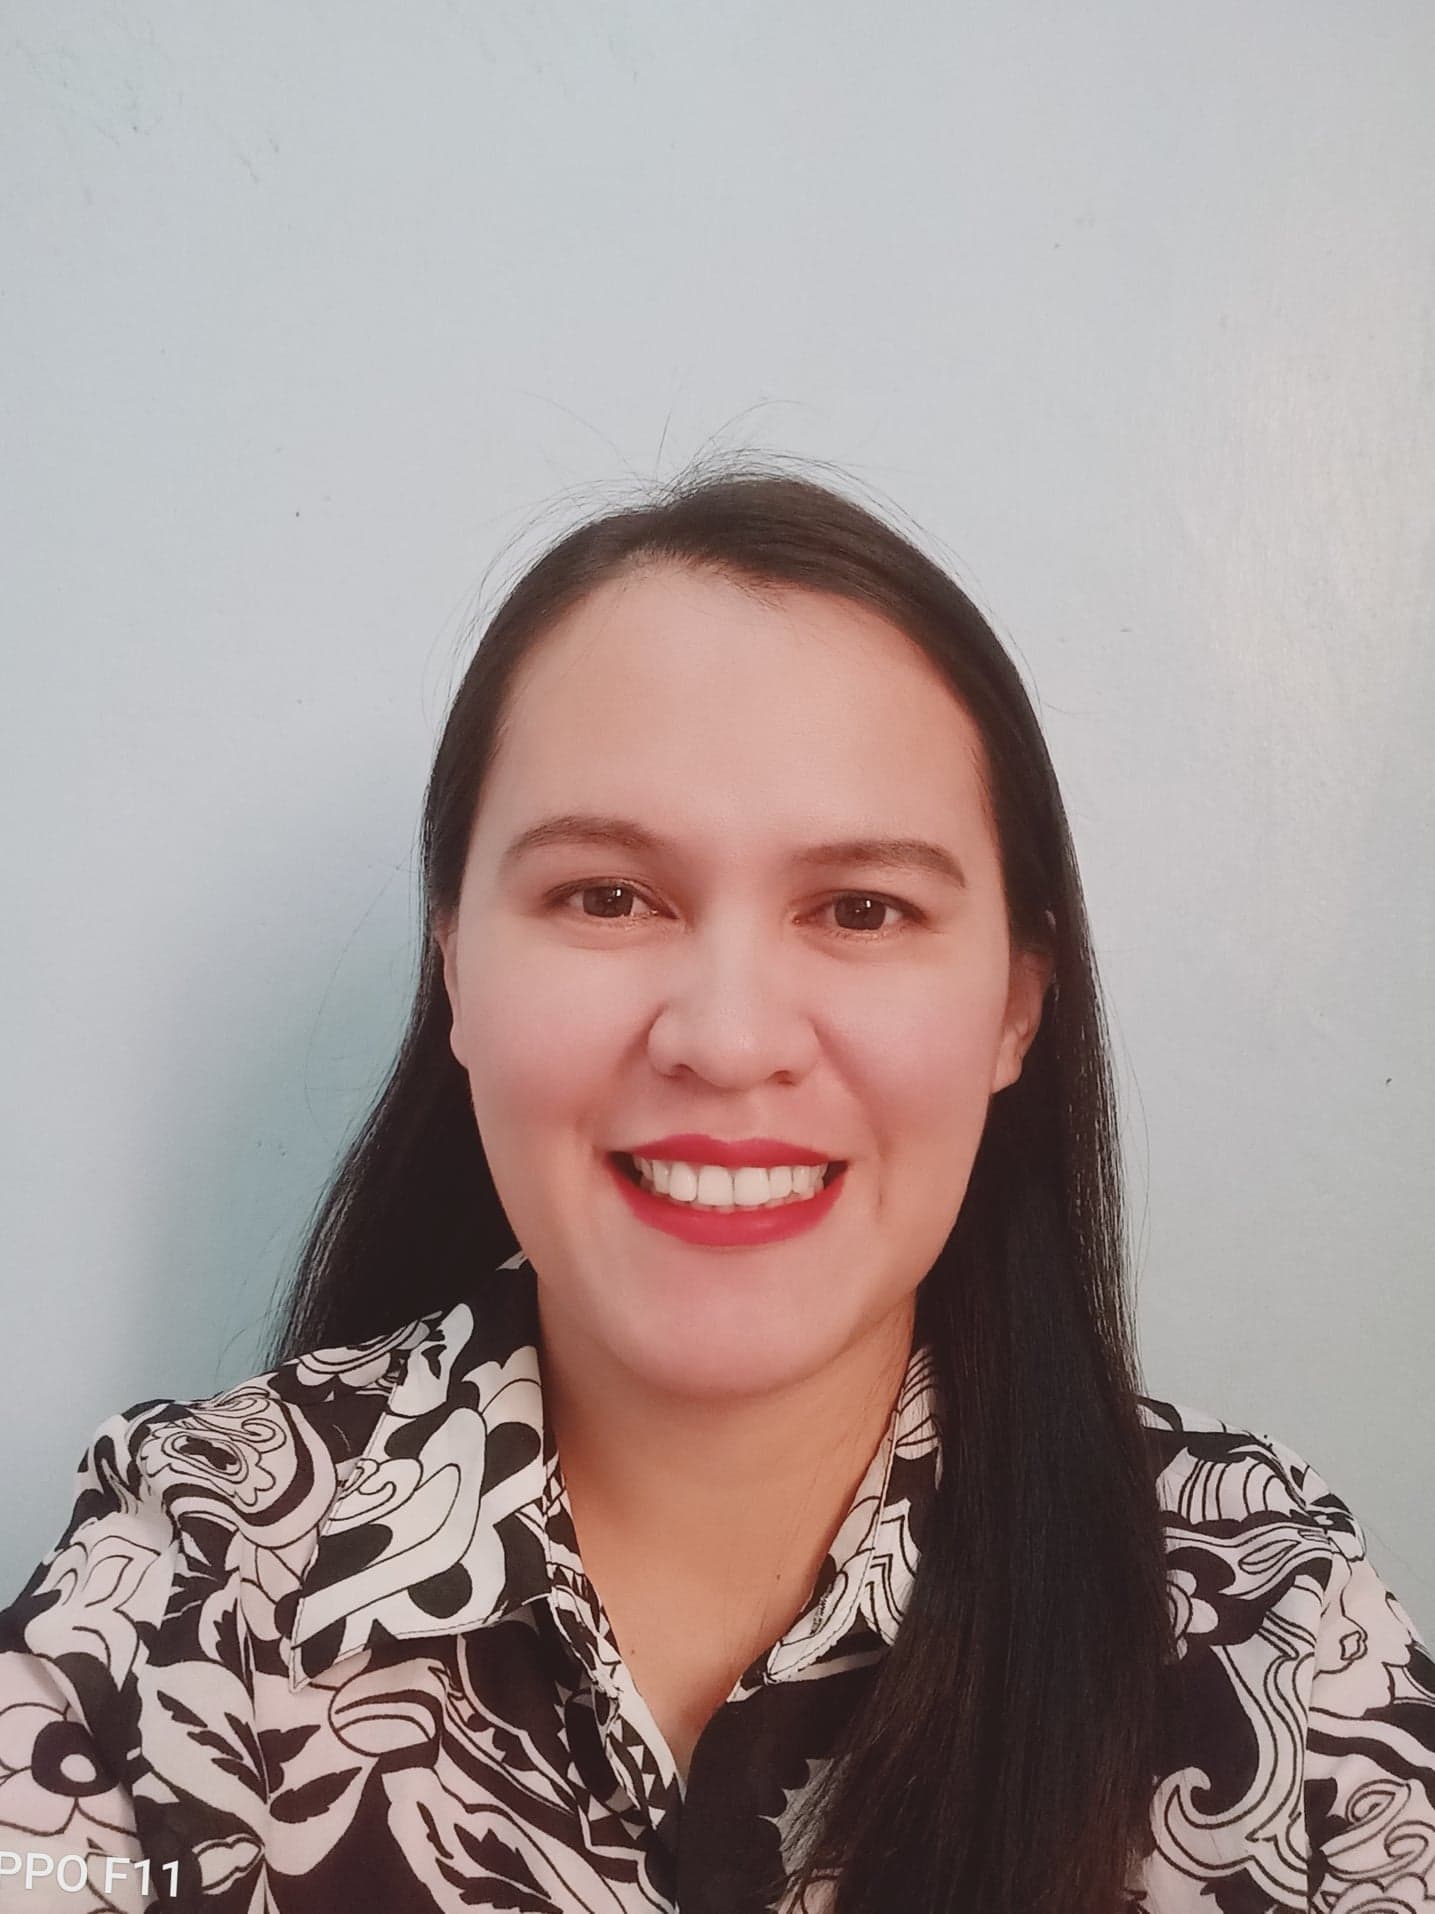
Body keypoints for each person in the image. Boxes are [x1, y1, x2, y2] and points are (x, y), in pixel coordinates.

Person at [1, 463, 1431, 1914]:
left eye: (861, 909)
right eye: (607, 896)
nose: (729, 1040)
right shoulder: (183, 1594)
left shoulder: (1274, 1623)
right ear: (455, 970)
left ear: (1015, 1006)